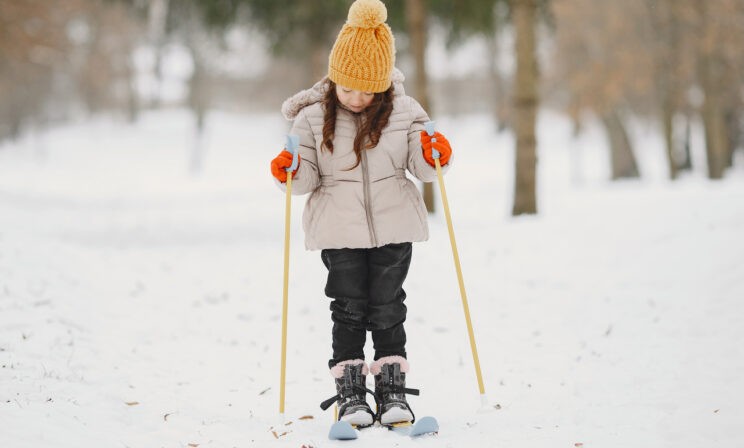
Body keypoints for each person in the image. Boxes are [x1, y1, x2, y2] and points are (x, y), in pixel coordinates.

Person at [270, 0, 453, 428]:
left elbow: (423, 169)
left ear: (384, 84)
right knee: (348, 308)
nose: (356, 98)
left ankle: (393, 393)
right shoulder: (312, 119)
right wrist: (289, 171)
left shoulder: (406, 113)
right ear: (334, 78)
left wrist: (435, 156)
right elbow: (305, 180)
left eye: (368, 89)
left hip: (395, 227)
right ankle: (351, 394)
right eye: (348, 87)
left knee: (389, 307)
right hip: (339, 230)